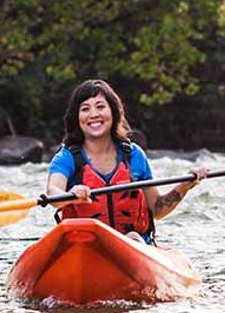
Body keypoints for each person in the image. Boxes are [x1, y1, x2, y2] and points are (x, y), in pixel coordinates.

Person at [45, 79, 208, 244]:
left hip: (133, 245)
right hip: (86, 247)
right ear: (76, 117)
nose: (93, 114)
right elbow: (53, 192)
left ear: (113, 112)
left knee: (132, 238)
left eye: (100, 107)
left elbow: (157, 209)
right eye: (85, 109)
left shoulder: (134, 155)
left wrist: (185, 186)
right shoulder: (67, 157)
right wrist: (71, 195)